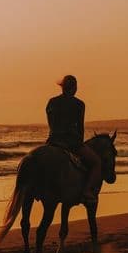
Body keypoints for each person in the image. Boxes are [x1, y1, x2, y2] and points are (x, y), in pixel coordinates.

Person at [45, 74, 101, 203]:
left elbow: (51, 124)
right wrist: (79, 143)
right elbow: (80, 127)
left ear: (62, 87)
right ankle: (87, 191)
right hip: (70, 142)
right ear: (74, 88)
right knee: (96, 162)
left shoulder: (52, 102)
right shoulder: (79, 104)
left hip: (52, 141)